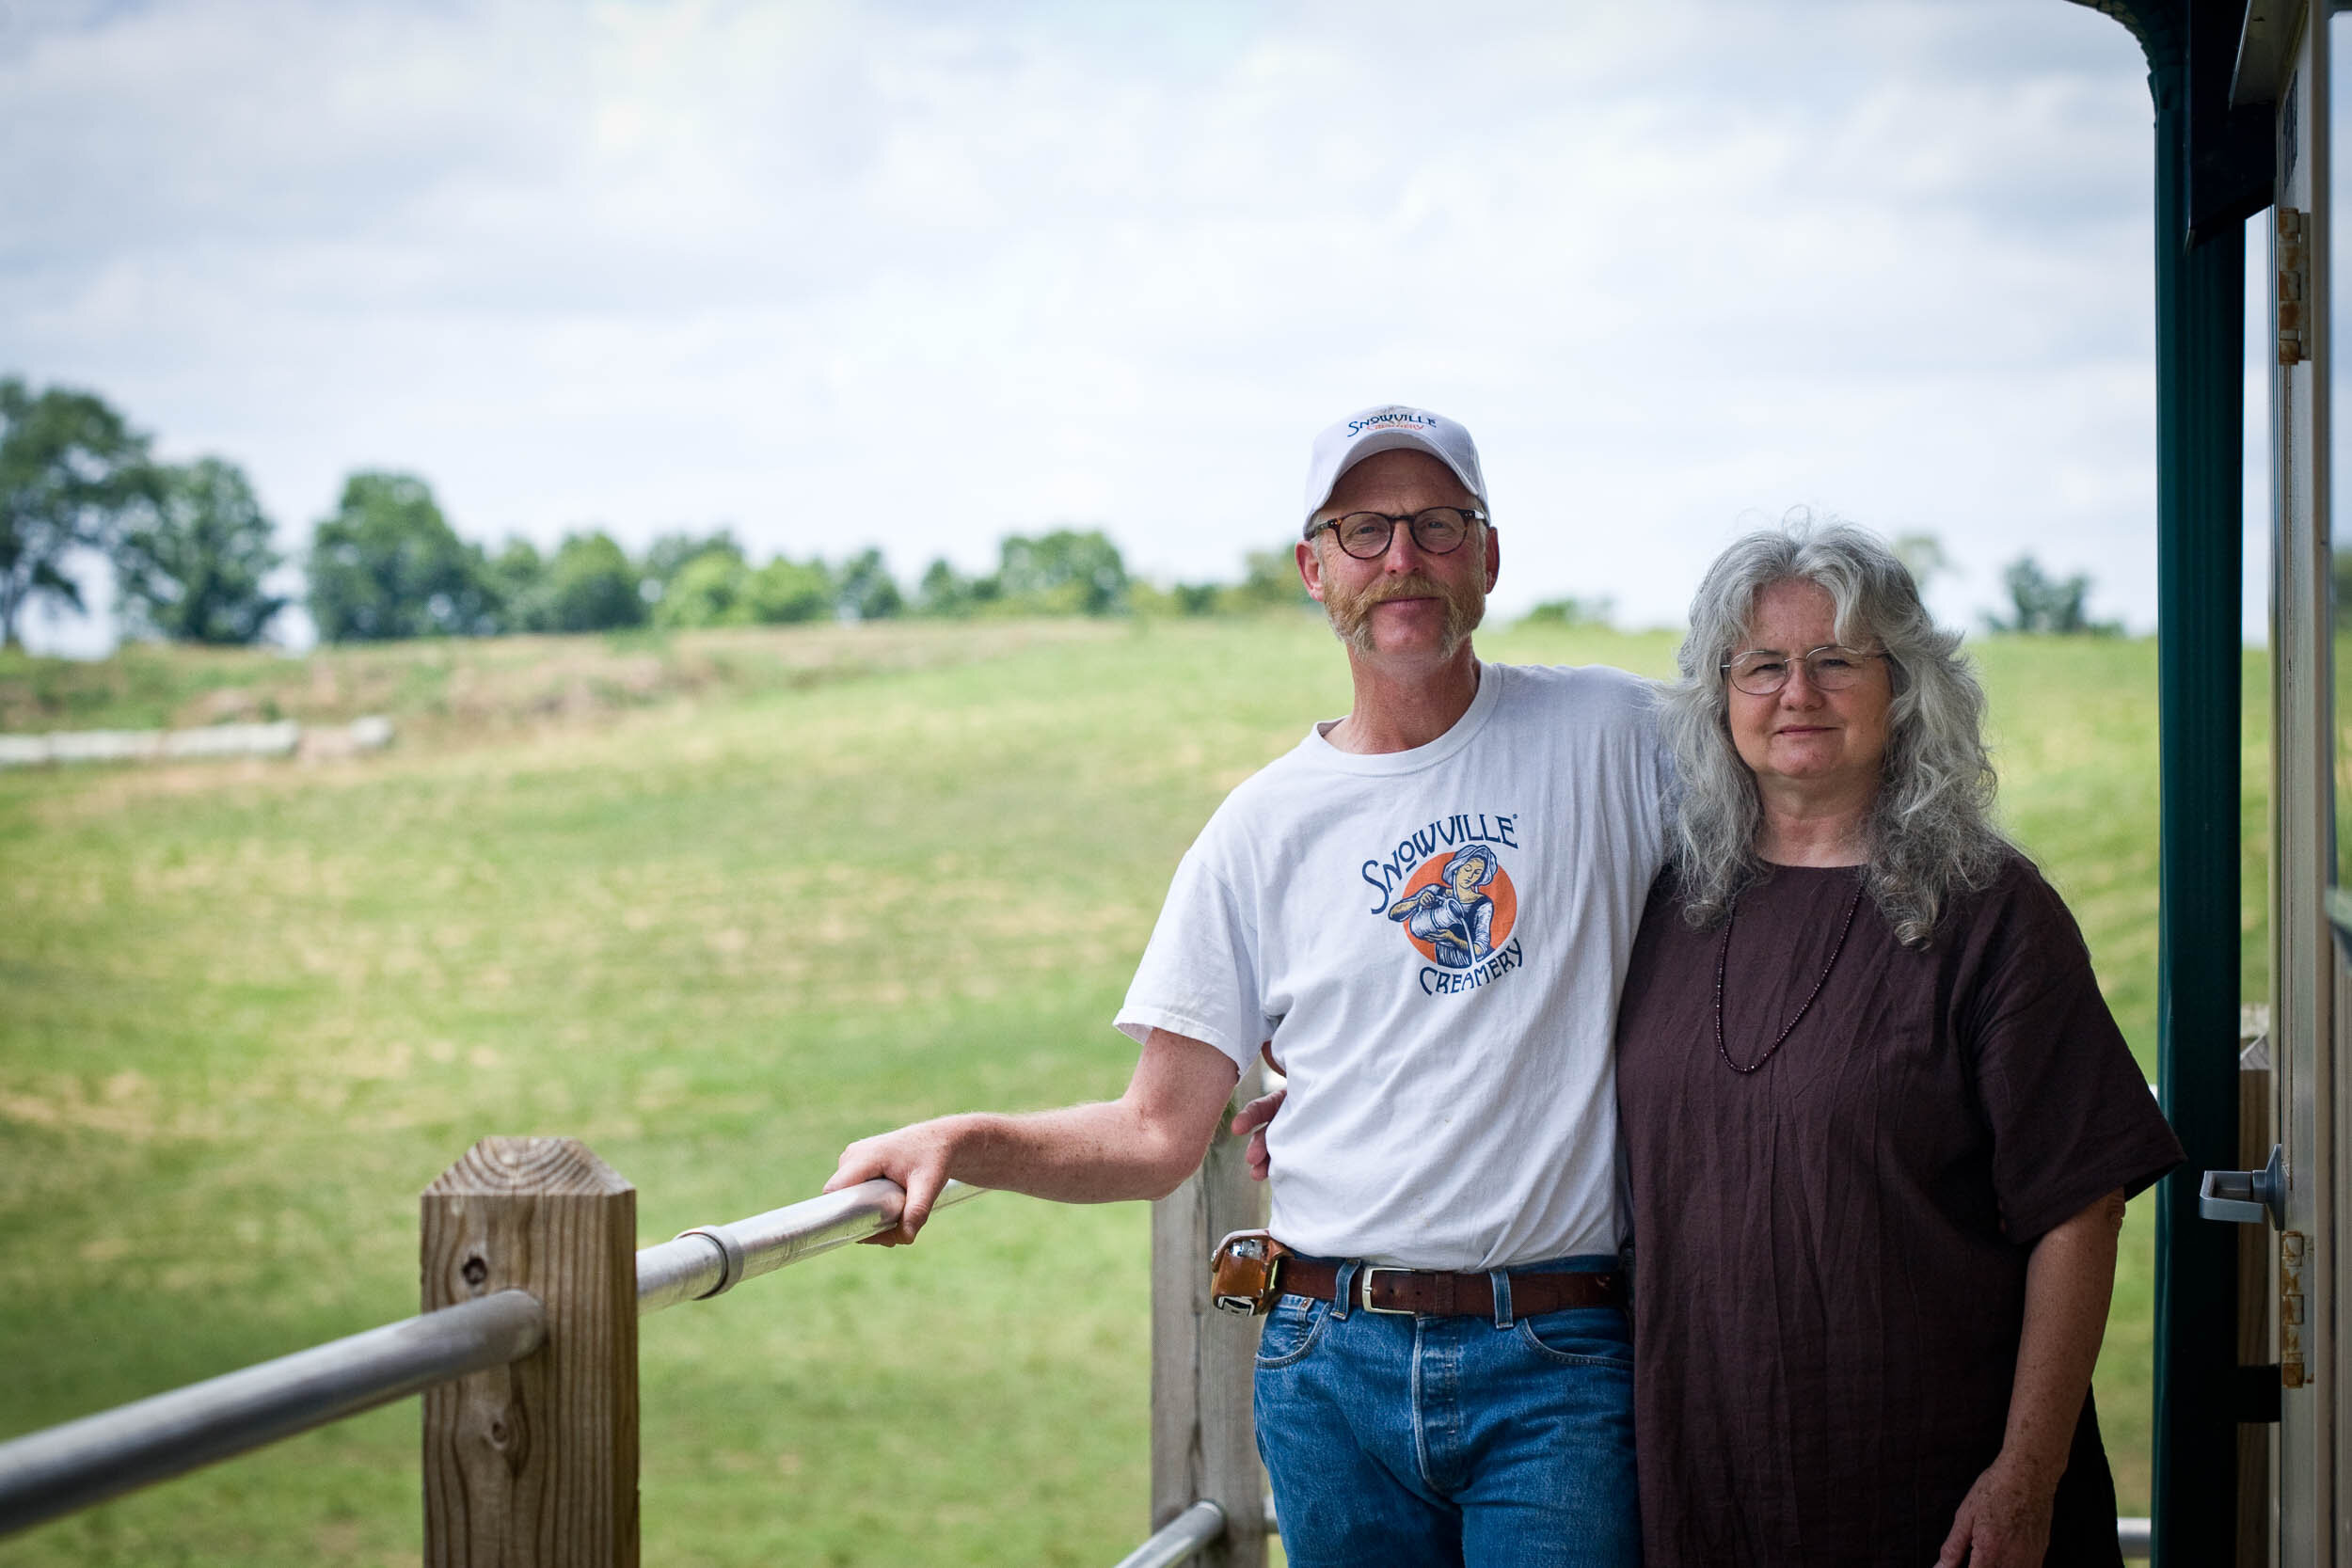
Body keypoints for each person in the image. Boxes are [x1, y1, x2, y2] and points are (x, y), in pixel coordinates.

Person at [825, 404, 1671, 1567]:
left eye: (1435, 523)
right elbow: (1157, 1130)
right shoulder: (1259, 830)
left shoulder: (1614, 737)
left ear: (1487, 553)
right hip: (1330, 1371)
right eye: (1363, 530)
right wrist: (960, 1138)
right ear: (1313, 567)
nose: (1401, 558)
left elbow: (1799, 833)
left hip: (1559, 1360)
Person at [1612, 520, 2184, 1566]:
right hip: (1706, 1477)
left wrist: (2025, 1476)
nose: (1798, 691)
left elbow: (2079, 1208)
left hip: (1935, 1490)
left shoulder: (1992, 911)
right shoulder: (1665, 906)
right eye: (1762, 664)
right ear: (1715, 694)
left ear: (1904, 685)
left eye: (1836, 658)